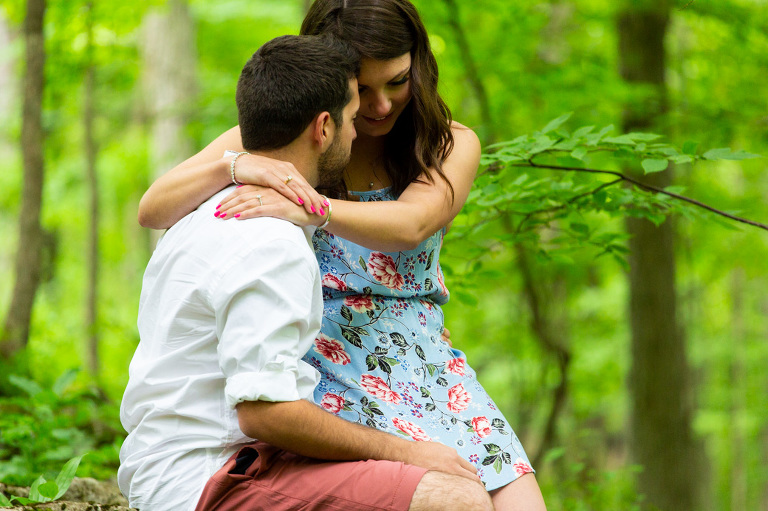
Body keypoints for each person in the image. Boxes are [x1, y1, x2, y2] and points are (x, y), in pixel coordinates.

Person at [138, 1, 546, 509]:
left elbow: (413, 224)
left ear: (418, 66)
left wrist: (314, 208)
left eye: (397, 82)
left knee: (519, 501)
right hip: (323, 354)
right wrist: (234, 166)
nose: (380, 105)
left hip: (424, 359)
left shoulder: (447, 143)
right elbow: (153, 208)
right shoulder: (295, 132)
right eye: (363, 88)